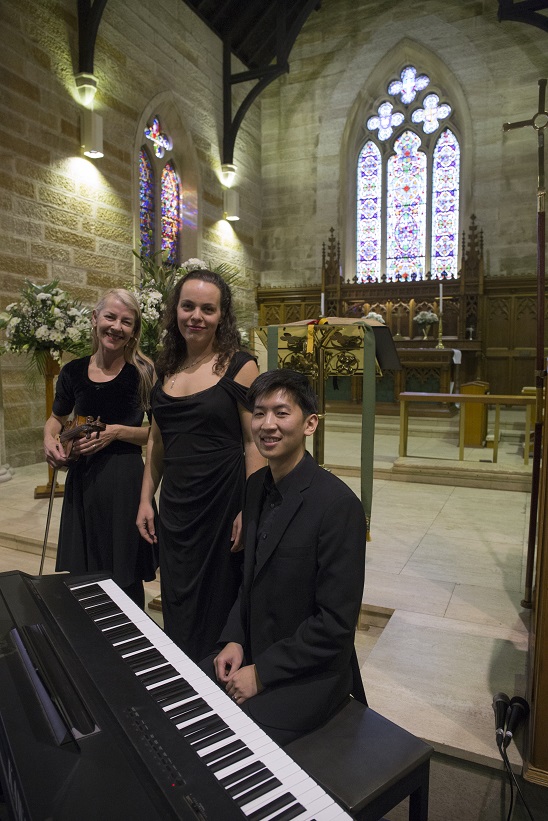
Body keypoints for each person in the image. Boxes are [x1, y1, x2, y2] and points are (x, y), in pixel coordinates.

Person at [209, 368, 366, 746]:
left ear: (310, 423)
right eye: (259, 413)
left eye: (282, 413)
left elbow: (334, 625)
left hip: (311, 673)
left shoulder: (338, 506)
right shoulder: (254, 485)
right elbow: (251, 581)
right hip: (256, 651)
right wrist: (233, 639)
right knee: (191, 700)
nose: (268, 424)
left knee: (232, 737)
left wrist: (261, 673)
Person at [137, 269, 265, 663]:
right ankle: (185, 674)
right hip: (177, 506)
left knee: (219, 596)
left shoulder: (241, 366)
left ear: (221, 315)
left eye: (207, 309)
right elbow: (158, 440)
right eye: (188, 306)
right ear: (175, 311)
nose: (196, 316)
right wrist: (146, 499)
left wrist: (251, 505)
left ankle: (218, 683)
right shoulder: (166, 368)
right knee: (178, 597)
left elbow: (253, 441)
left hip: (223, 502)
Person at [44, 288, 157, 608]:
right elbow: (55, 418)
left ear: (134, 331)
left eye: (126, 321)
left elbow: (160, 435)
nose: (116, 326)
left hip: (125, 482)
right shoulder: (73, 371)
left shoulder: (144, 372)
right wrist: (49, 439)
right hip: (84, 480)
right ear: (95, 319)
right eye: (110, 317)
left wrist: (118, 432)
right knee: (85, 573)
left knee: (125, 574)